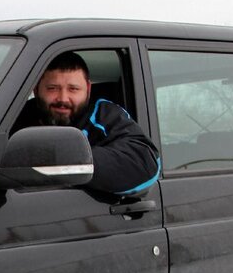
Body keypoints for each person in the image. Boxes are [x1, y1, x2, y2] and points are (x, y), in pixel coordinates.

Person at [11, 51, 160, 196]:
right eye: (52, 88)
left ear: (88, 89)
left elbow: (144, 163)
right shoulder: (14, 116)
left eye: (73, 89)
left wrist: (62, 157)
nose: (63, 98)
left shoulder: (104, 115)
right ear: (36, 89)